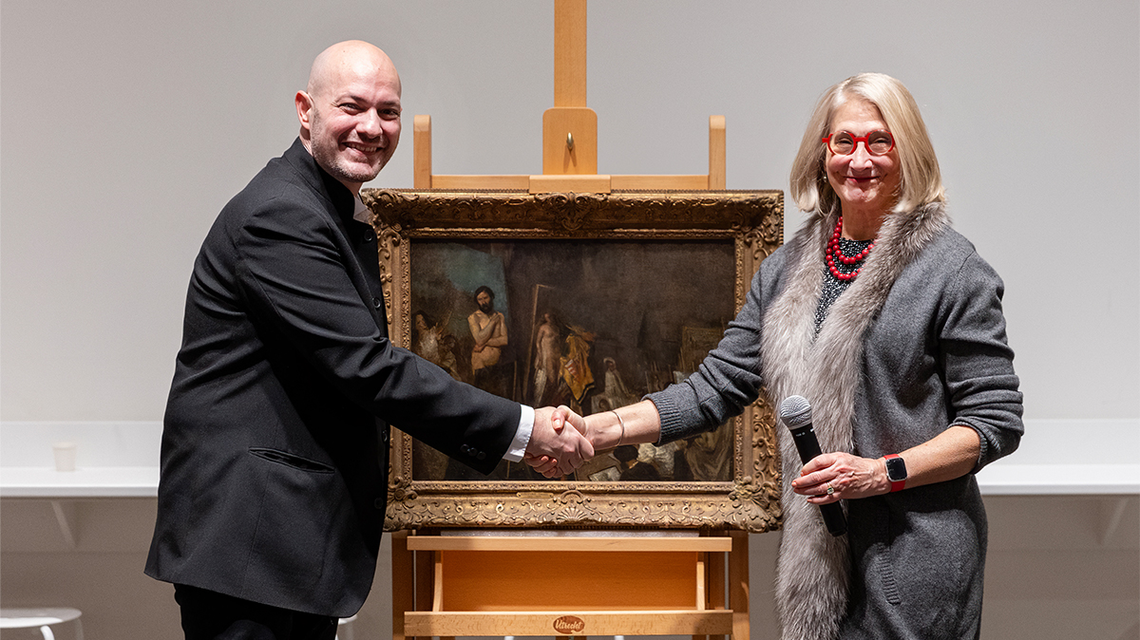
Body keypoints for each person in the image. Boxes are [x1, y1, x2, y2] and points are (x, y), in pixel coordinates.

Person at [531, 73, 1023, 639]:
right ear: (822, 154)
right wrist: (592, 429)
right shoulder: (785, 270)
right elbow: (715, 386)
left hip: (914, 561)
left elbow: (993, 422)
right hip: (816, 563)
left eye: (879, 141)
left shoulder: (952, 270)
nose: (860, 160)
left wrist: (878, 474)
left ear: (908, 153)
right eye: (844, 142)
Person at [146, 40, 592, 640]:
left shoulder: (325, 207)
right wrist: (523, 427)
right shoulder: (281, 215)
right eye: (351, 106)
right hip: (251, 549)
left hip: (277, 548)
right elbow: (369, 367)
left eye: (388, 112)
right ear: (305, 109)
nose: (371, 127)